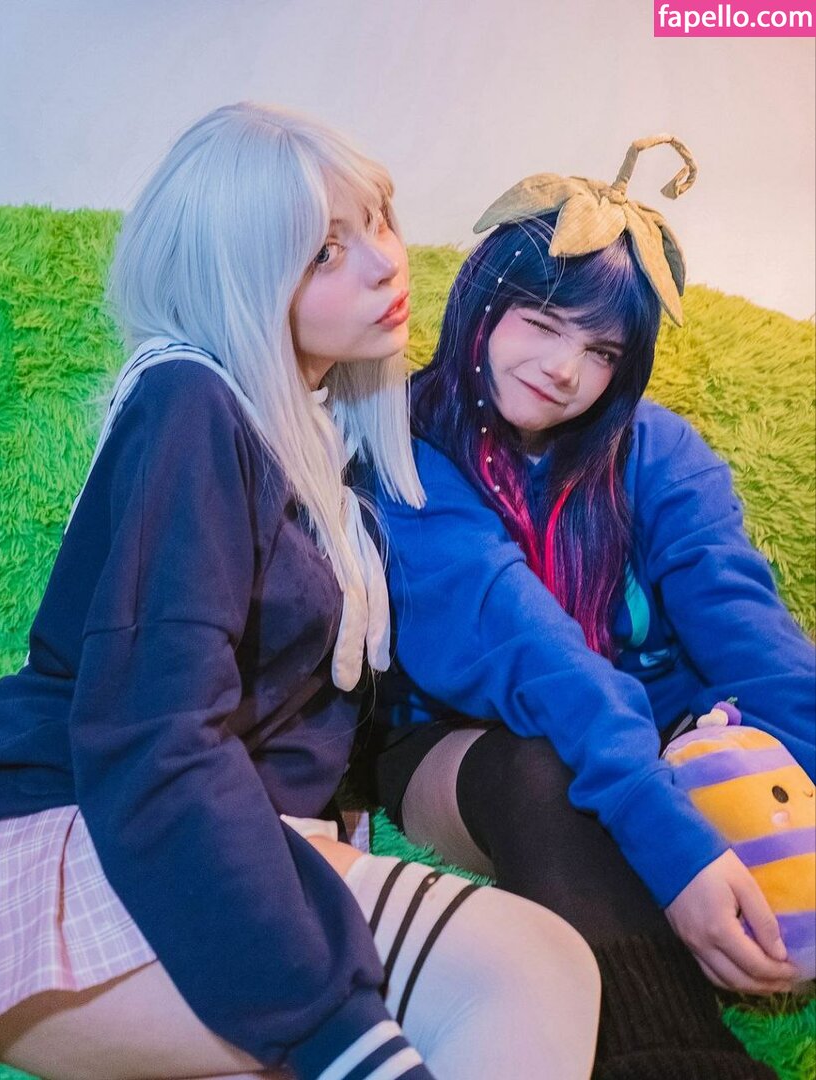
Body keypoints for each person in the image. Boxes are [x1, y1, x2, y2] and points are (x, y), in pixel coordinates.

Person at [0, 103, 602, 1080]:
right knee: (528, 967)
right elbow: (155, 741)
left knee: (531, 967)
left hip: (182, 839)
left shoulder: (318, 439)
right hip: (65, 840)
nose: (385, 262)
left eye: (377, 219)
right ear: (238, 275)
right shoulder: (191, 403)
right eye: (322, 251)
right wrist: (336, 1032)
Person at [367, 136, 815, 1080]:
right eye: (541, 321)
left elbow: (755, 647)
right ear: (482, 301)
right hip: (464, 746)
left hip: (663, 734)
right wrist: (674, 850)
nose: (566, 369)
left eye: (602, 349)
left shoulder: (658, 452)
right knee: (549, 765)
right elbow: (530, 652)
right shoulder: (402, 446)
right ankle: (673, 1056)